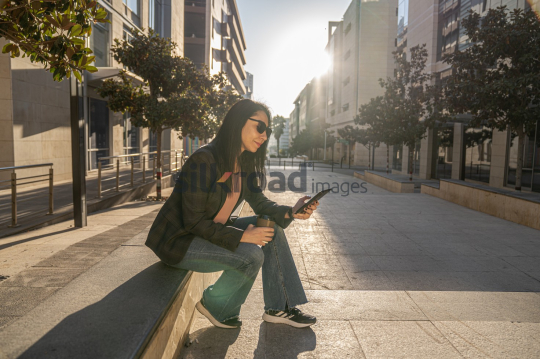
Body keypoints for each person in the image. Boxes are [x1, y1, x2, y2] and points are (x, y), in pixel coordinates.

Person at [145, 99, 319, 329]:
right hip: (179, 240)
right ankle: (217, 305)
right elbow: (193, 221)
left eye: (267, 130)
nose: (264, 136)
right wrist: (242, 236)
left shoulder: (243, 163)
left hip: (206, 232)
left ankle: (279, 307)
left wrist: (292, 212)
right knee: (251, 256)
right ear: (238, 122)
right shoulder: (203, 160)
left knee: (272, 229)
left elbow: (260, 203)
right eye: (261, 127)